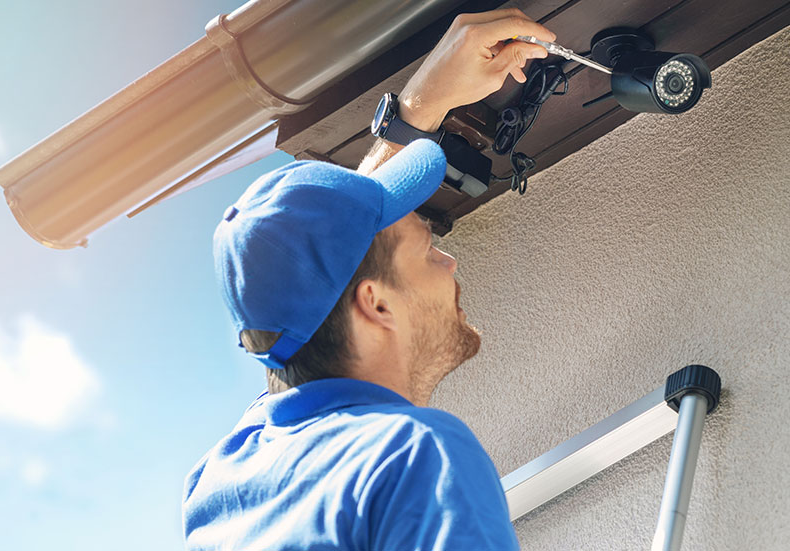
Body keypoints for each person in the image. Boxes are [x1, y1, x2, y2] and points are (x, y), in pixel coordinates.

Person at [182, 9, 556, 550]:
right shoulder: (414, 456)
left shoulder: (223, 480)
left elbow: (316, 283)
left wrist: (419, 106)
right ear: (375, 304)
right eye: (428, 253)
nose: (451, 263)